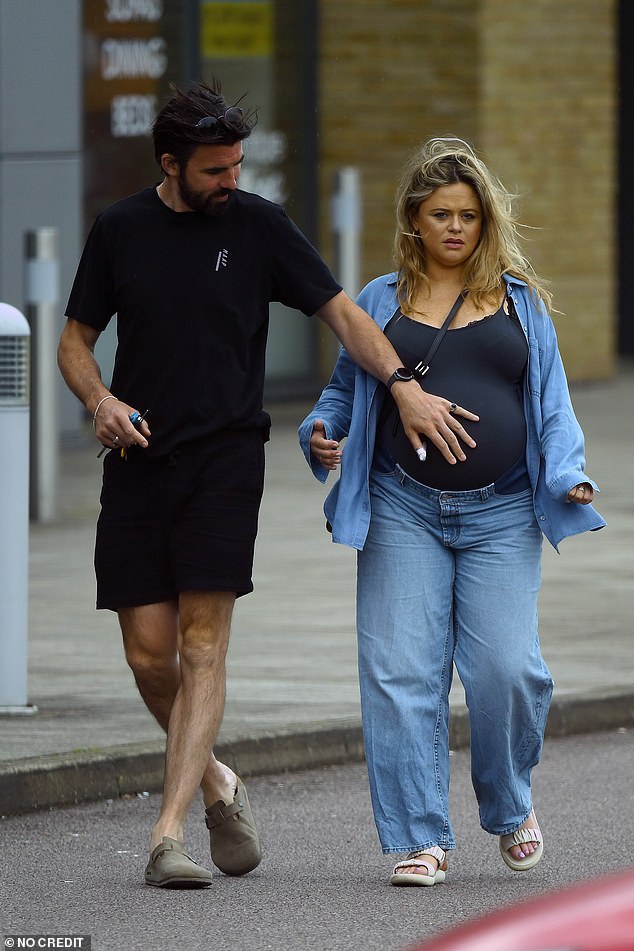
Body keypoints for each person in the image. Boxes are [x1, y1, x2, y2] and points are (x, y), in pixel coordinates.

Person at [57, 80, 454, 889]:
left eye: (238, 164)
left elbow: (342, 313)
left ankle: (168, 833)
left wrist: (402, 384)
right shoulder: (121, 229)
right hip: (138, 463)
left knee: (202, 644)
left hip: (226, 463)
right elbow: (74, 339)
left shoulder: (260, 226)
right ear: (172, 164)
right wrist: (98, 399)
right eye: (215, 169)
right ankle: (216, 778)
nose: (231, 179)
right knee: (147, 655)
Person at [299, 137, 605, 887]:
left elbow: (554, 406)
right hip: (404, 506)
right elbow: (343, 391)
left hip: (501, 511)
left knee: (507, 669)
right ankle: (419, 837)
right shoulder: (378, 301)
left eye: (469, 214)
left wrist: (568, 475)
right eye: (441, 214)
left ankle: (509, 802)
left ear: (485, 219)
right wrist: (321, 433)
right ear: (414, 219)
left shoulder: (520, 302)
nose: (456, 227)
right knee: (401, 672)